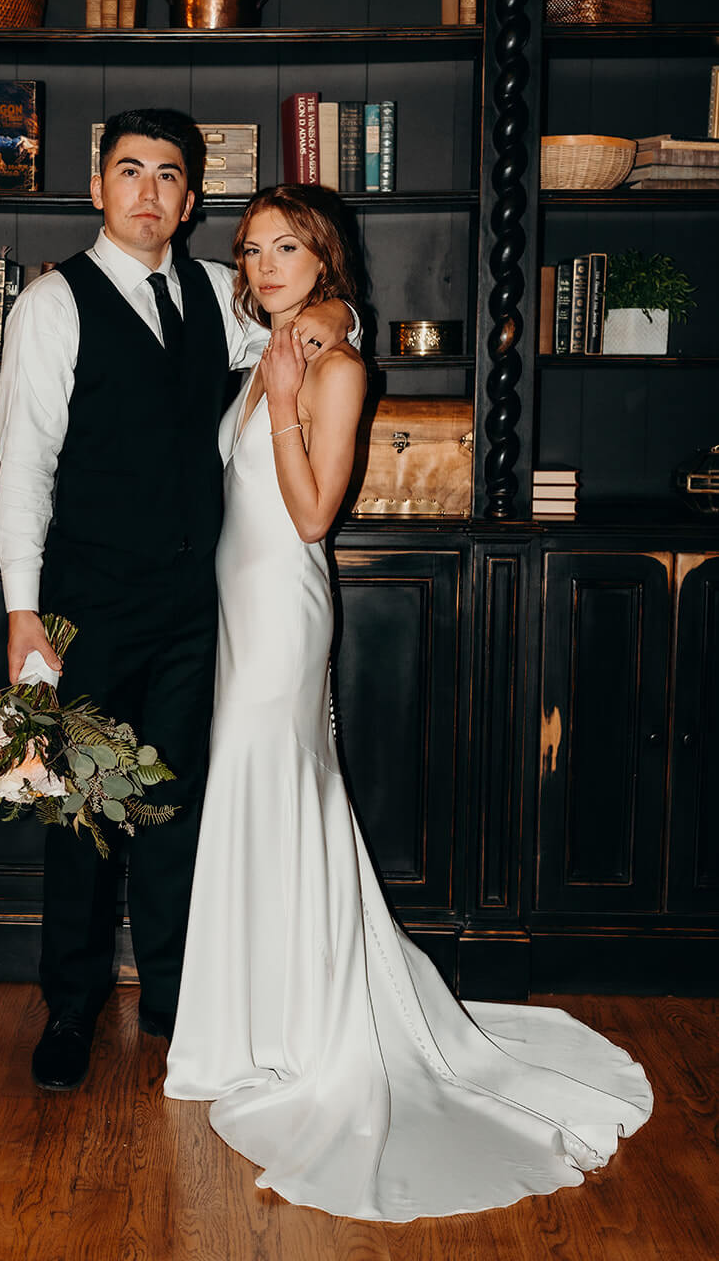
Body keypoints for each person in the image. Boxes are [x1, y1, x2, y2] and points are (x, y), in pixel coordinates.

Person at [164, 184, 653, 1222]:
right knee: (255, 797)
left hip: (282, 607)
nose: (261, 267)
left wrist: (294, 392)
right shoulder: (268, 346)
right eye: (249, 250)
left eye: (283, 248)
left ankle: (300, 1032)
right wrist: (280, 361)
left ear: (323, 254)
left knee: (276, 788)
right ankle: (252, 1019)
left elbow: (308, 514)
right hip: (233, 602)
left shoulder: (330, 367)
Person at [0, 109, 355, 1092]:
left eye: (166, 177)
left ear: (189, 200)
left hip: (197, 608)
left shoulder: (213, 293)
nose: (148, 192)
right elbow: (23, 465)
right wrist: (24, 610)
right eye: (128, 171)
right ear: (98, 188)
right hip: (87, 602)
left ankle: (168, 998)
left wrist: (337, 321)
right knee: (82, 811)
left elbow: (308, 315)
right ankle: (68, 1009)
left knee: (169, 808)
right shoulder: (51, 306)